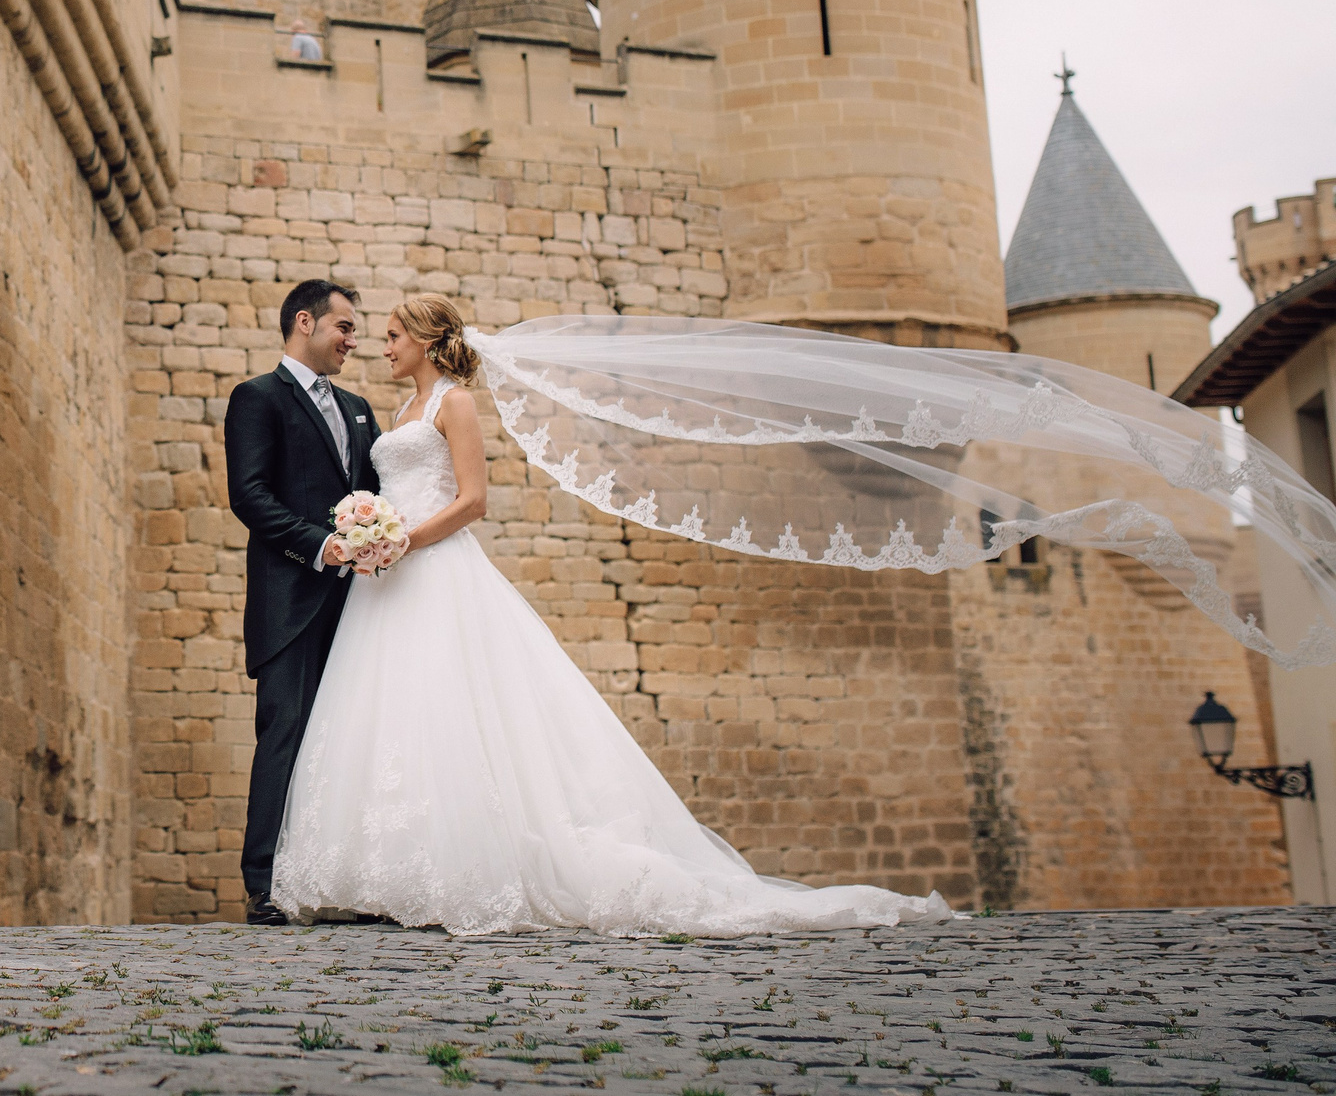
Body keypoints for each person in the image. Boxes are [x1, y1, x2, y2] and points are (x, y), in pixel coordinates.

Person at [270, 292, 955, 936]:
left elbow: (474, 499)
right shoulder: (395, 416)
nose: (382, 347)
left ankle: (469, 869)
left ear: (424, 339)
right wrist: (373, 536)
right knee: (396, 711)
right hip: (385, 581)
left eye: (392, 335)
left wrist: (404, 539)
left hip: (433, 566)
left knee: (454, 706)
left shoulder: (457, 405)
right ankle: (391, 875)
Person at [221, 279, 380, 927]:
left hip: (361, 605)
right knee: (283, 732)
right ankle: (264, 884)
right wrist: (322, 547)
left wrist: (380, 537)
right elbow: (250, 496)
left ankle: (345, 876)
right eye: (344, 327)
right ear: (304, 322)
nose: (352, 340)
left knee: (352, 737)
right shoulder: (258, 398)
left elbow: (370, 491)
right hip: (290, 595)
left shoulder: (360, 408)